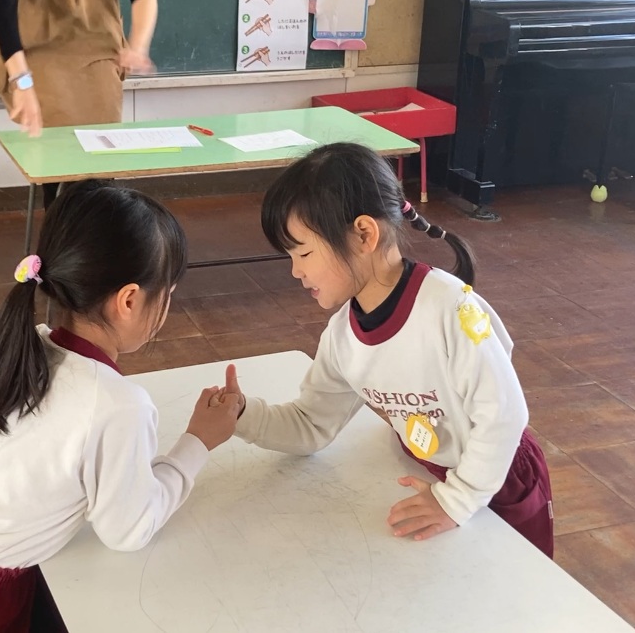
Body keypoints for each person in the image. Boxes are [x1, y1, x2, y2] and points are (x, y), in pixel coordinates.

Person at [0, 180, 243, 632]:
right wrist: (198, 441)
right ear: (128, 300)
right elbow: (128, 530)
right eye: (168, 293)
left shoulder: (15, 347)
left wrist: (3, 474)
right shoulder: (119, 405)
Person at [220, 142, 554, 558]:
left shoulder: (449, 307)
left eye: (303, 251)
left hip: (498, 474)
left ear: (364, 233)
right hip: (431, 470)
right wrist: (245, 415)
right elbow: (311, 424)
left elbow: (504, 416)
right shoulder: (343, 334)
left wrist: (458, 498)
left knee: (517, 591)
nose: (296, 270)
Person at [0, 0, 158, 207]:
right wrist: (22, 82)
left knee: (101, 161)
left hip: (96, 46)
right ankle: (61, 230)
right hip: (35, 51)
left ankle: (98, 231)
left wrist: (138, 46)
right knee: (59, 157)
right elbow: (1, 4)